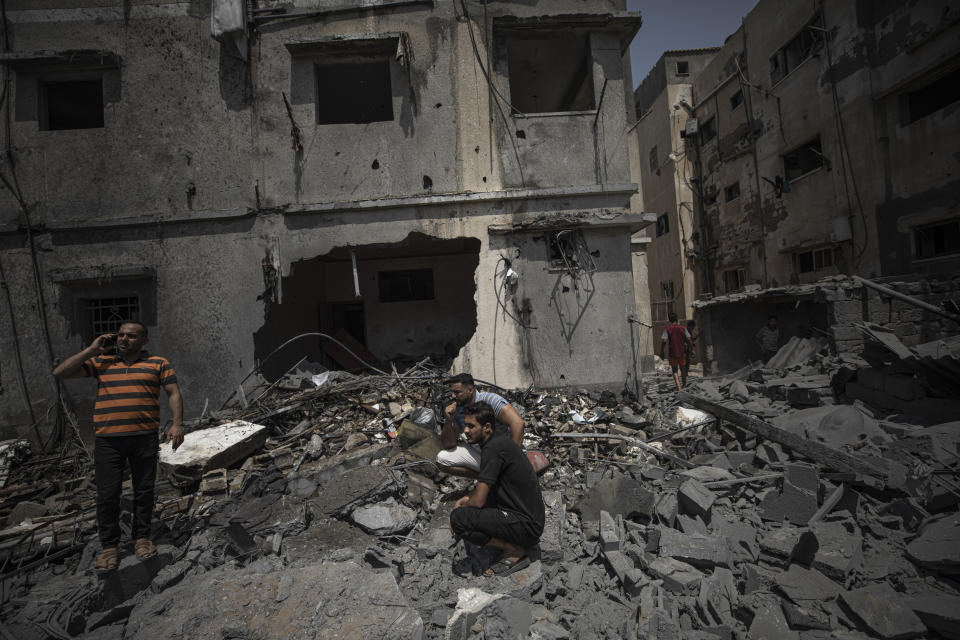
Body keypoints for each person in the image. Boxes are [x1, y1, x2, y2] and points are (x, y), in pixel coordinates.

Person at [52, 321, 183, 574]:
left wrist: (177, 424)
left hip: (144, 437)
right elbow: (60, 373)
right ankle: (109, 546)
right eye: (120, 335)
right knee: (107, 494)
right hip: (108, 440)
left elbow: (173, 392)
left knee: (144, 490)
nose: (123, 339)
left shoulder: (158, 363)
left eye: (131, 336)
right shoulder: (102, 362)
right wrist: (91, 350)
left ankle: (142, 538)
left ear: (144, 339)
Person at [449, 402, 544, 576]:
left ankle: (513, 549)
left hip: (526, 527)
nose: (466, 431)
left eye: (471, 426)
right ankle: (511, 542)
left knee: (459, 519)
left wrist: (463, 506)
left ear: (487, 427)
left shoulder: (493, 450)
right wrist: (464, 499)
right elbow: (486, 489)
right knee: (468, 505)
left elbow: (478, 502)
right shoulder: (498, 442)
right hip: (528, 519)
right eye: (465, 426)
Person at [437, 373, 525, 479]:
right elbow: (448, 444)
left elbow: (518, 423)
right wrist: (448, 420)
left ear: (470, 390)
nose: (453, 396)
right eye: (451, 392)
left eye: (457, 392)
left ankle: (499, 476)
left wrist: (511, 460)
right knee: (442, 459)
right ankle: (489, 479)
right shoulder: (458, 409)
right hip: (480, 452)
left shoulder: (490, 400)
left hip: (501, 454)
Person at [660, 312, 692, 391]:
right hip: (682, 352)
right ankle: (684, 385)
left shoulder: (667, 329)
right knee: (683, 369)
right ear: (677, 319)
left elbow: (664, 340)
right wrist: (692, 348)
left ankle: (679, 387)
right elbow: (689, 339)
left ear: (669, 320)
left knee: (674, 370)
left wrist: (662, 351)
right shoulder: (683, 328)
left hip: (672, 353)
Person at [681, 319, 698, 385]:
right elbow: (688, 341)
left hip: (687, 350)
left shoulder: (689, 331)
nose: (693, 328)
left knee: (687, 363)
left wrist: (696, 337)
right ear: (690, 326)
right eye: (692, 327)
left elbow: (691, 340)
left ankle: (685, 376)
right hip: (684, 350)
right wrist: (692, 349)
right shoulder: (685, 331)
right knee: (685, 363)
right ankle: (684, 378)